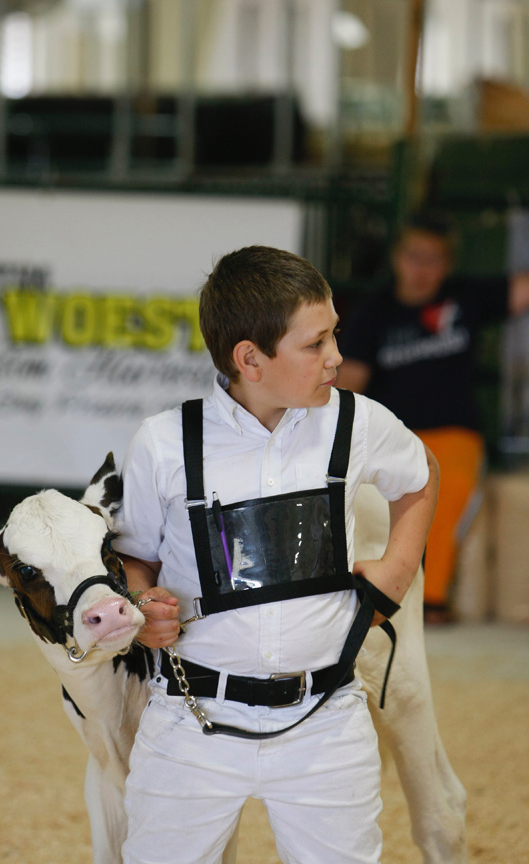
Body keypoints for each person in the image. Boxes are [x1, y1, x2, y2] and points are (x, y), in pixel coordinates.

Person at [115, 245, 439, 864]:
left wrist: (398, 569)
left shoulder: (356, 422)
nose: (336, 356)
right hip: (191, 726)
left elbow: (422, 473)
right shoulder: (164, 443)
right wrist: (140, 602)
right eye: (316, 344)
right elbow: (137, 559)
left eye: (334, 334)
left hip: (327, 725)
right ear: (250, 359)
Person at [338, 212, 529, 625]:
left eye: (434, 259)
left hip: (455, 432)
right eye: (414, 256)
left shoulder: (465, 297)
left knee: (445, 487)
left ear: (448, 264)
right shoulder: (374, 310)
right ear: (396, 257)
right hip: (393, 433)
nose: (422, 269)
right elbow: (350, 382)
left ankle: (431, 599)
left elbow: (520, 290)